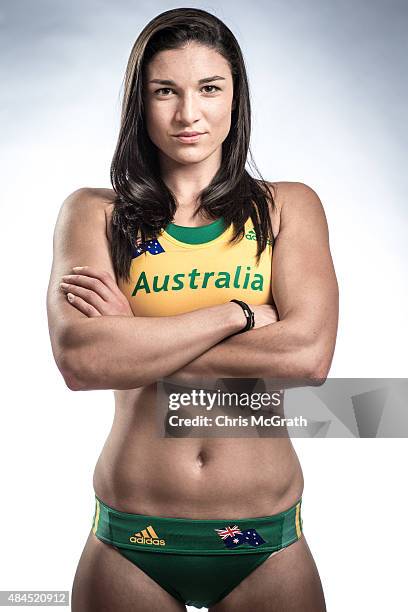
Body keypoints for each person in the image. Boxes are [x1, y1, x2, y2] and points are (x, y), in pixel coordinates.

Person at [46, 7, 338, 611]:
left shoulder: (286, 207)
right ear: (139, 103)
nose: (188, 114)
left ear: (236, 97)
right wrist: (239, 313)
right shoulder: (94, 214)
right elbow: (83, 363)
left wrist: (136, 340)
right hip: (131, 539)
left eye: (210, 88)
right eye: (165, 92)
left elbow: (309, 356)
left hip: (264, 540)